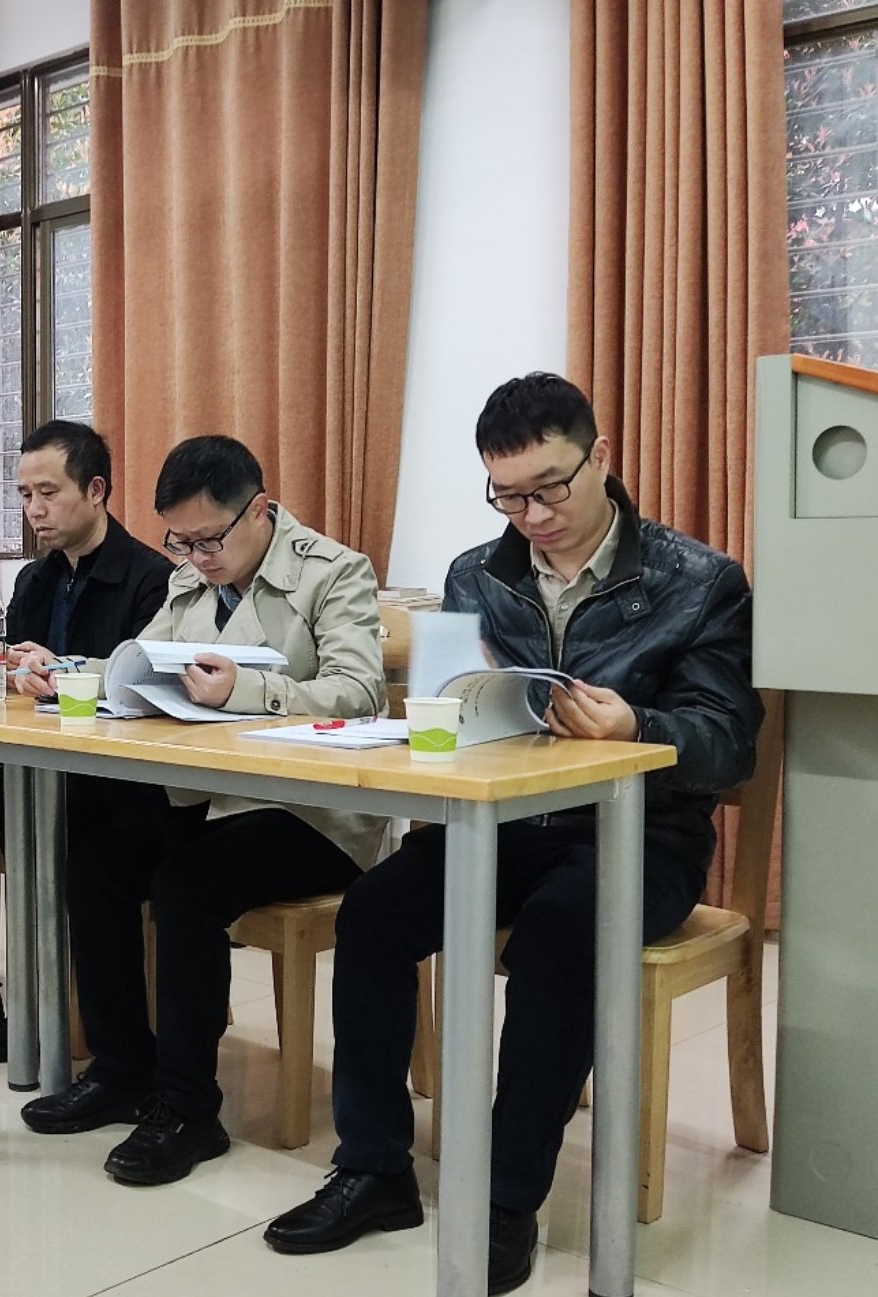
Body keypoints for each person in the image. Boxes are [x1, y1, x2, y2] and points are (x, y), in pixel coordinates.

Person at [267, 374, 763, 1294]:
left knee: (561, 927)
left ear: (600, 458)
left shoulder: (699, 582)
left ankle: (504, 1199)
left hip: (636, 836)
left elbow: (729, 742)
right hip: (499, 823)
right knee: (373, 911)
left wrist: (640, 726)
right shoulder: (477, 575)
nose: (532, 516)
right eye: (508, 496)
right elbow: (457, 712)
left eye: (550, 488)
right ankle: (373, 1168)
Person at [18, 435, 389, 1187]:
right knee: (98, 863)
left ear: (259, 510)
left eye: (209, 539)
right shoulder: (191, 578)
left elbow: (358, 694)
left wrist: (244, 691)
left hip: (313, 810)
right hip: (214, 795)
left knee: (186, 884)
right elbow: (141, 659)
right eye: (180, 542)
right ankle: (122, 1067)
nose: (196, 557)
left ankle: (188, 1108)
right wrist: (68, 672)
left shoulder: (332, 571)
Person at [0, 419, 174, 1063]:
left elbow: (149, 689)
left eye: (49, 493)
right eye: (25, 495)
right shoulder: (34, 579)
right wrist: (10, 671)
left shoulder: (151, 579)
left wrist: (63, 673)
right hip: (33, 759)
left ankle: (42, 1005)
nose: (35, 510)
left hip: (112, 774)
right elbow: (11, 668)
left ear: (97, 490)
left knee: (52, 831)